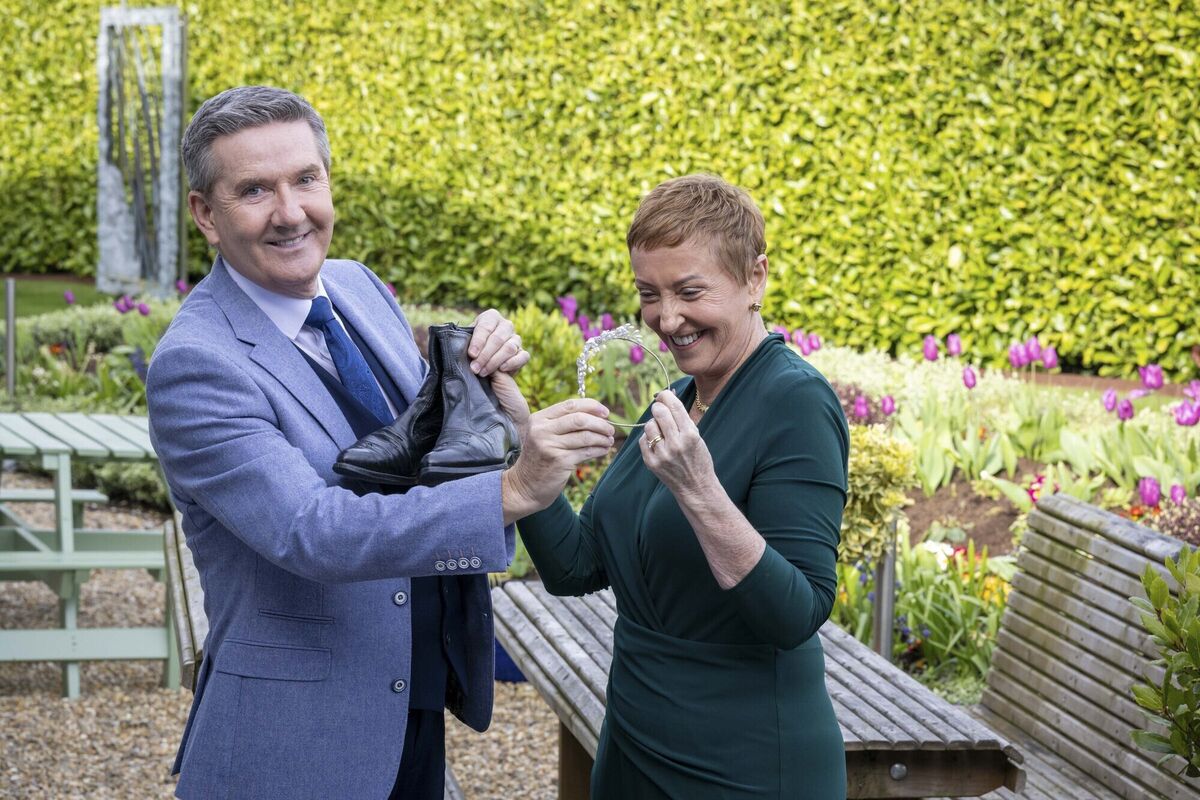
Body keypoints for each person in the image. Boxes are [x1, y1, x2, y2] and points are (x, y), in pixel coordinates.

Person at [147, 86, 611, 800]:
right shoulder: (198, 364)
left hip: (407, 711)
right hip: (296, 744)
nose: (291, 211)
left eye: (306, 178)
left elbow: (422, 452)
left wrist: (486, 391)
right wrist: (513, 491)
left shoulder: (357, 287)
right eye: (254, 191)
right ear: (206, 214)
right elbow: (315, 532)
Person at [505, 174, 850, 798]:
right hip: (633, 742)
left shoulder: (795, 403)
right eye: (649, 293)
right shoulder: (680, 397)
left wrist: (700, 491)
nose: (667, 318)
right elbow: (576, 568)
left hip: (742, 764)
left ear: (755, 278)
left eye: (690, 291)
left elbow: (796, 612)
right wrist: (525, 440)